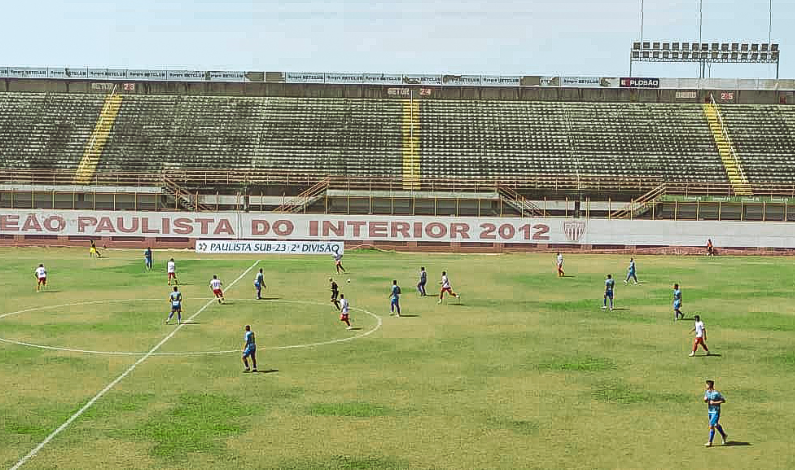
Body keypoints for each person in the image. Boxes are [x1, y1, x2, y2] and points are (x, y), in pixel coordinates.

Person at [703, 380, 728, 447]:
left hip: (716, 412)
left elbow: (723, 400)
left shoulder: (716, 393)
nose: (705, 386)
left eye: (706, 385)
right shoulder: (707, 392)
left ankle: (710, 442)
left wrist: (714, 403)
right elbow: (706, 399)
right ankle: (724, 435)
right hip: (710, 411)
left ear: (709, 385)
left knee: (711, 426)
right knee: (716, 425)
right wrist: (705, 400)